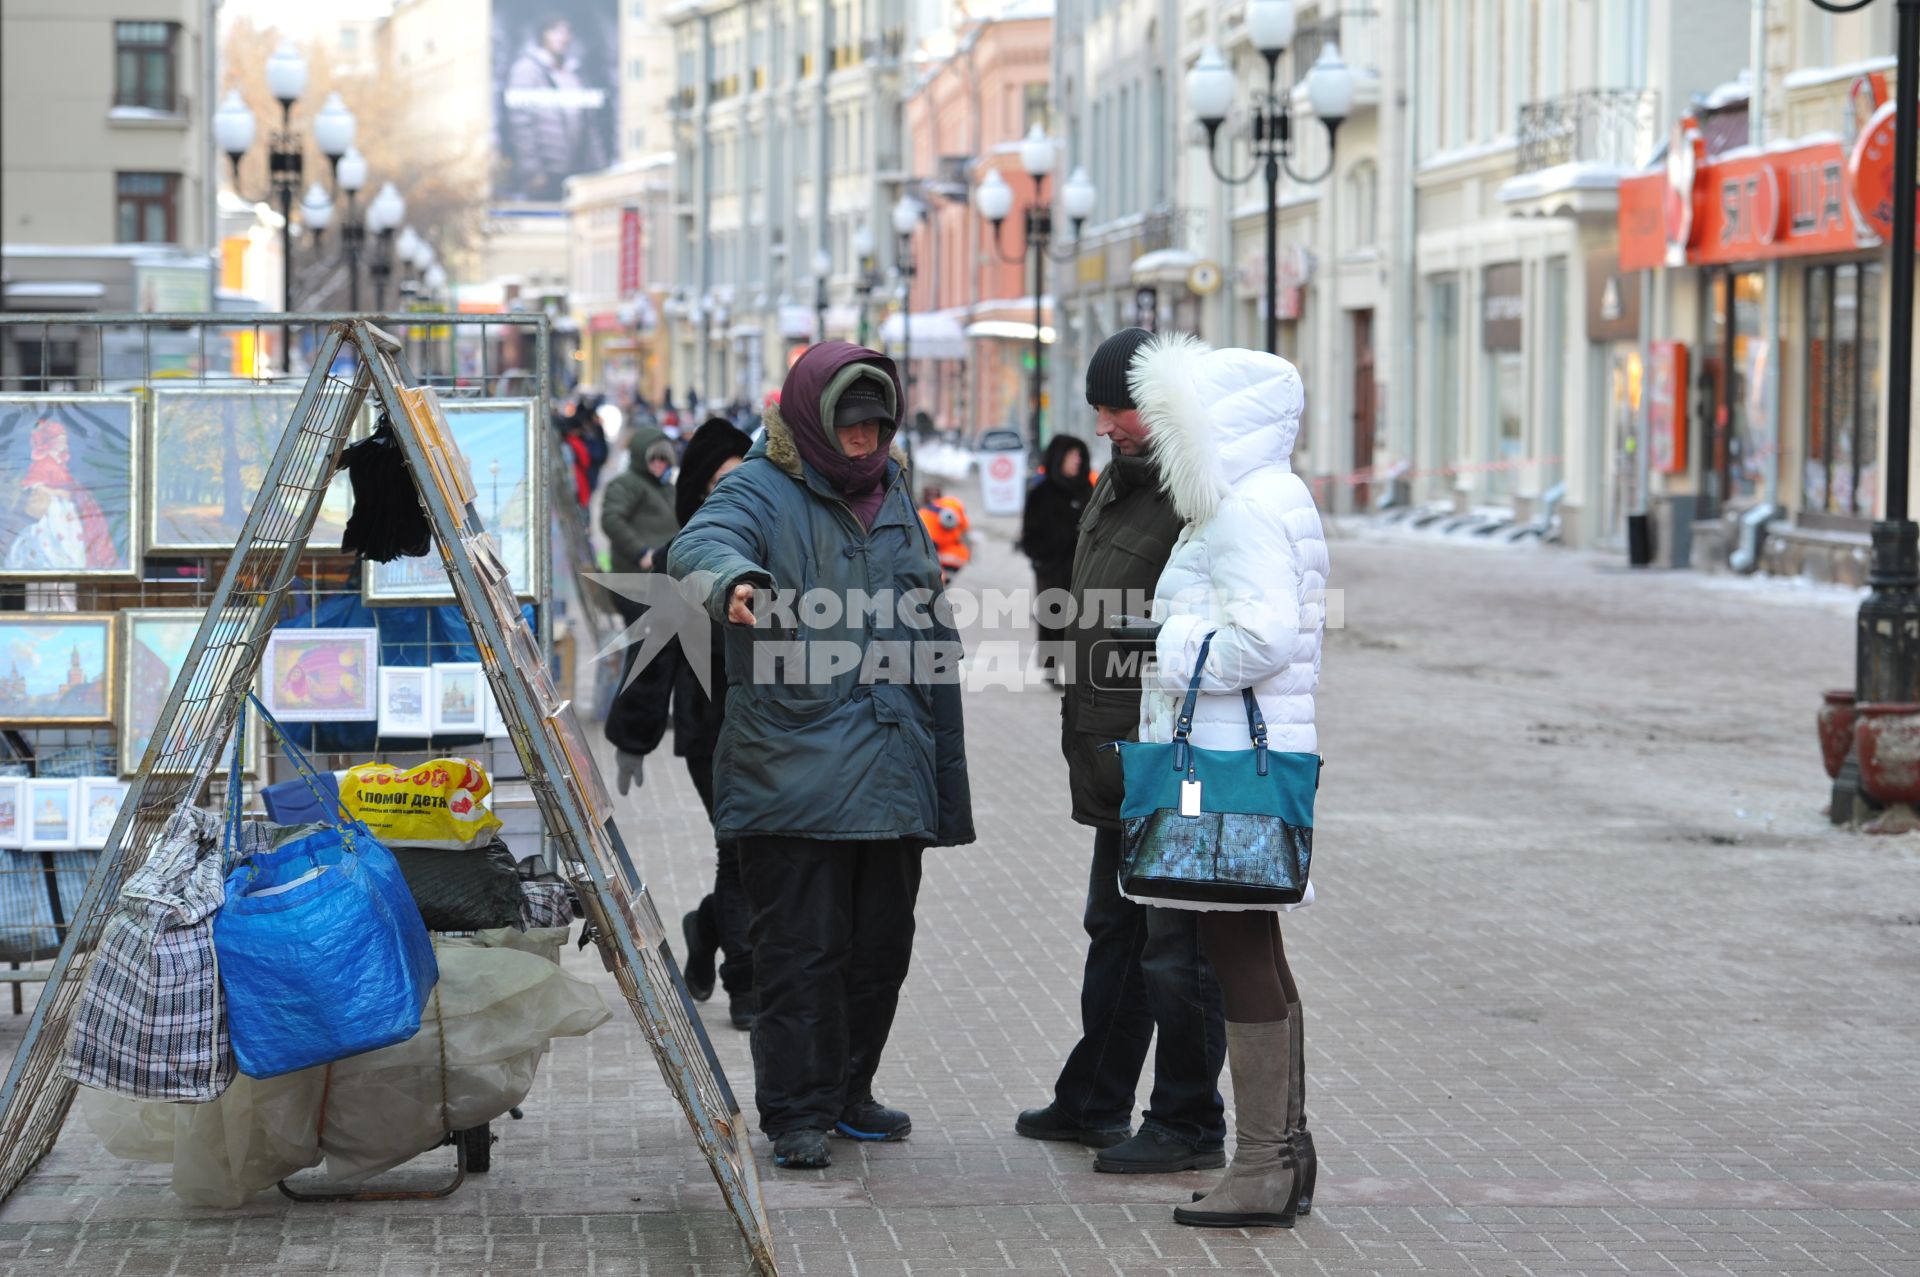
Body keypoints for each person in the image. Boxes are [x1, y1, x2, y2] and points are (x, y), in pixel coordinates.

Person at [668, 342, 974, 1171]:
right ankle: (796, 1109)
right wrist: (734, 579)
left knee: (881, 948)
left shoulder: (897, 494)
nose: (865, 442)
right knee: (801, 952)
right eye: (849, 426)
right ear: (810, 422)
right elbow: (699, 546)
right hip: (791, 766)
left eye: (877, 425)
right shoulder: (758, 488)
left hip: (891, 763)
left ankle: (848, 1088)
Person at [1015, 328, 1229, 1174]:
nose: (1102, 423)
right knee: (1117, 926)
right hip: (1116, 749)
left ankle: (1189, 1119)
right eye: (1100, 408)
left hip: (1170, 756)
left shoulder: (1195, 491)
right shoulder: (1124, 479)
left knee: (1176, 943)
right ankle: (1094, 1097)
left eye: (1117, 409)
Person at [1128, 332, 1327, 1229]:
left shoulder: (1243, 508)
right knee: (1258, 950)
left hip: (1224, 771)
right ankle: (1284, 1151)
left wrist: (1168, 646)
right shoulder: (1265, 497)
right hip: (1240, 762)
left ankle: (1262, 1163)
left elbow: (1261, 638)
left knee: (1239, 950)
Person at [618, 418, 758, 1031]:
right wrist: (631, 740)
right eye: (723, 479)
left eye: (744, 476)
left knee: (760, 853)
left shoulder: (773, 542)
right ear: (699, 488)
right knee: (739, 850)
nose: (736, 489)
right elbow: (650, 660)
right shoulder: (687, 555)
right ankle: (746, 983)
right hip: (709, 731)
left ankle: (705, 930)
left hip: (775, 729)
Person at [502, 13, 609, 200]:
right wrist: (532, 172)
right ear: (543, 34)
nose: (562, 37)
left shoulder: (576, 73)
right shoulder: (526, 69)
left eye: (566, 31)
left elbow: (590, 126)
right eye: (555, 31)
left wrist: (599, 170)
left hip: (577, 173)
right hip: (544, 176)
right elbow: (521, 127)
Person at [1019, 434, 1093, 684]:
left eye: (1079, 456)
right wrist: (1041, 557)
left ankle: (1075, 670)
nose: (1076, 461)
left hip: (1080, 566)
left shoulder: (1086, 490)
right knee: (1052, 618)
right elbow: (1029, 532)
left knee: (1080, 621)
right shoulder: (1043, 491)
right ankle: (1052, 668)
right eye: (1071, 456)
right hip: (1051, 567)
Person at [916, 485, 971, 578]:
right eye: (930, 494)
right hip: (952, 556)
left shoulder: (924, 514)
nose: (932, 497)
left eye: (934, 493)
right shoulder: (952, 504)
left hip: (945, 556)